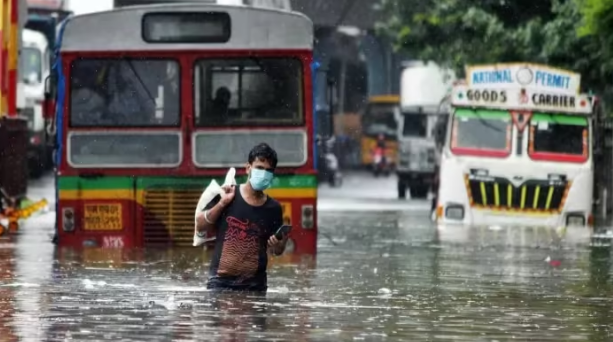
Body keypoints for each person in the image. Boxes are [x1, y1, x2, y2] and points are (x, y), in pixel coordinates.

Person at [195, 143, 288, 292]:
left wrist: (279, 244)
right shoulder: (228, 194)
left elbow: (277, 251)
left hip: (255, 286)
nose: (263, 174)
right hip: (220, 283)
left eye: (268, 170)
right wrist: (222, 203)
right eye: (259, 168)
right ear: (248, 168)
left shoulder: (274, 208)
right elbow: (200, 225)